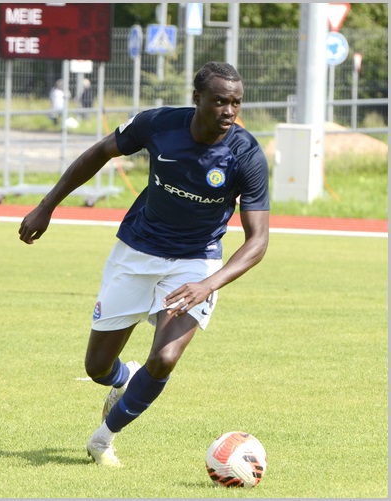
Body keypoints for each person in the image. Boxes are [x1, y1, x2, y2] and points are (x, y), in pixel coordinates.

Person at [19, 62, 270, 467]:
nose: (229, 111)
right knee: (97, 367)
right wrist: (47, 206)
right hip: (136, 250)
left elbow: (257, 241)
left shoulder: (246, 154)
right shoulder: (158, 124)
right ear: (197, 99)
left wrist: (209, 284)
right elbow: (100, 152)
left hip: (197, 262)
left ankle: (103, 439)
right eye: (220, 101)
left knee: (165, 357)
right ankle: (124, 379)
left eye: (236, 103)